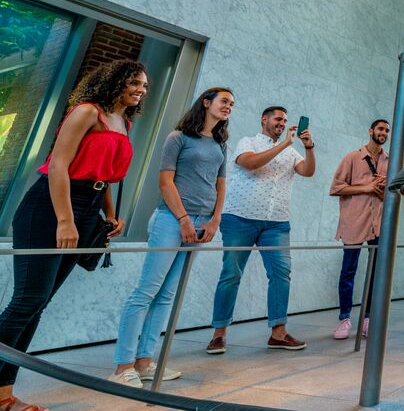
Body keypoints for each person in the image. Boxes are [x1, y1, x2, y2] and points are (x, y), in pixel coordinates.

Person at [0, 60, 147, 411]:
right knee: (25, 301)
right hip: (49, 207)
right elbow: (58, 165)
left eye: (145, 85)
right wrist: (65, 220)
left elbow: (107, 178)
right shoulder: (86, 111)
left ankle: (4, 395)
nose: (141, 89)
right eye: (135, 82)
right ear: (115, 81)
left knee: (38, 305)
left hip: (88, 207)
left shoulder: (123, 122)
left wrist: (110, 215)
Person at [109, 87, 233, 388]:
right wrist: (183, 219)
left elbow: (220, 185)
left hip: (203, 223)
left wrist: (215, 220)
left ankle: (144, 362)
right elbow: (165, 183)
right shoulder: (178, 138)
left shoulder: (219, 144)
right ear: (206, 102)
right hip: (171, 220)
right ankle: (123, 365)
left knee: (166, 295)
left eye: (232, 103)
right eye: (224, 101)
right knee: (146, 291)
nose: (229, 106)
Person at [205, 106, 315, 354]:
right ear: (264, 119)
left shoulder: (291, 150)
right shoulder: (249, 142)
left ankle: (278, 333)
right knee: (231, 274)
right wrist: (285, 145)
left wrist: (308, 147)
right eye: (278, 118)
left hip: (276, 223)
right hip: (239, 219)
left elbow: (308, 171)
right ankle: (219, 334)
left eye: (285, 120)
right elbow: (250, 164)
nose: (282, 122)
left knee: (281, 274)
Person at [328, 119, 389, 339]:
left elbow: (388, 197)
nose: (384, 133)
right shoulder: (352, 157)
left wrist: (381, 190)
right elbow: (336, 188)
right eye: (380, 129)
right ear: (371, 130)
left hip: (378, 224)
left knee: (375, 273)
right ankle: (344, 319)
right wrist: (368, 186)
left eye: (387, 130)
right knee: (348, 271)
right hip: (354, 221)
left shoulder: (389, 161)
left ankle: (368, 319)